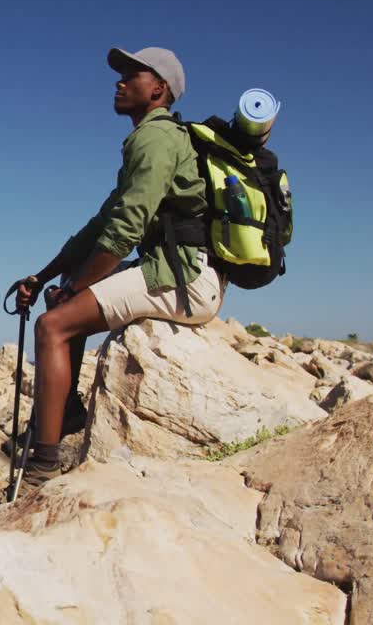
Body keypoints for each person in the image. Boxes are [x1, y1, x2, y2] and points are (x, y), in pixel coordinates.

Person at [11, 46, 227, 491]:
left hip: (185, 277)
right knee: (59, 298)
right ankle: (66, 410)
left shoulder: (157, 138)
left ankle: (42, 467)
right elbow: (99, 226)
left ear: (158, 89)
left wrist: (77, 289)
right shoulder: (150, 139)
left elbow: (126, 228)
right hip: (173, 270)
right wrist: (45, 277)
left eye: (133, 74)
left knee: (53, 326)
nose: (120, 81)